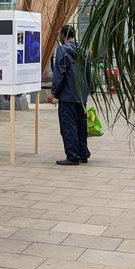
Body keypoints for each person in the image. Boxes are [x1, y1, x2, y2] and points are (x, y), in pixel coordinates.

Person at [48, 24, 91, 166]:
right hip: (81, 95)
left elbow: (60, 73)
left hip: (67, 95)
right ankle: (83, 154)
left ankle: (72, 156)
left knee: (68, 125)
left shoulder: (62, 50)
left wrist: (54, 92)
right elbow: (88, 72)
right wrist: (89, 89)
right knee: (81, 124)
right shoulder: (83, 49)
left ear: (63, 35)